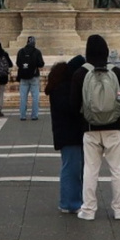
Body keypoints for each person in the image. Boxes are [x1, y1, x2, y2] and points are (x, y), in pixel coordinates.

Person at [75, 34, 120, 221]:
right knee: (117, 169)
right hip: (114, 128)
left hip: (90, 129)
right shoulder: (115, 71)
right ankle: (119, 209)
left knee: (90, 169)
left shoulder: (81, 73)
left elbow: (73, 103)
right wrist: (118, 118)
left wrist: (85, 120)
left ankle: (89, 210)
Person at [46, 54, 85, 213]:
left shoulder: (61, 86)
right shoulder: (65, 88)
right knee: (72, 169)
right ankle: (69, 203)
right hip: (70, 134)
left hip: (68, 134)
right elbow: (71, 109)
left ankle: (73, 200)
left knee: (74, 168)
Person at [16, 35, 46, 121]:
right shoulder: (37, 52)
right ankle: (34, 115)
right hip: (34, 77)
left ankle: (22, 115)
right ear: (34, 43)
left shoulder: (21, 51)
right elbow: (41, 64)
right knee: (35, 97)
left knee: (23, 97)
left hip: (23, 77)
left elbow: (18, 63)